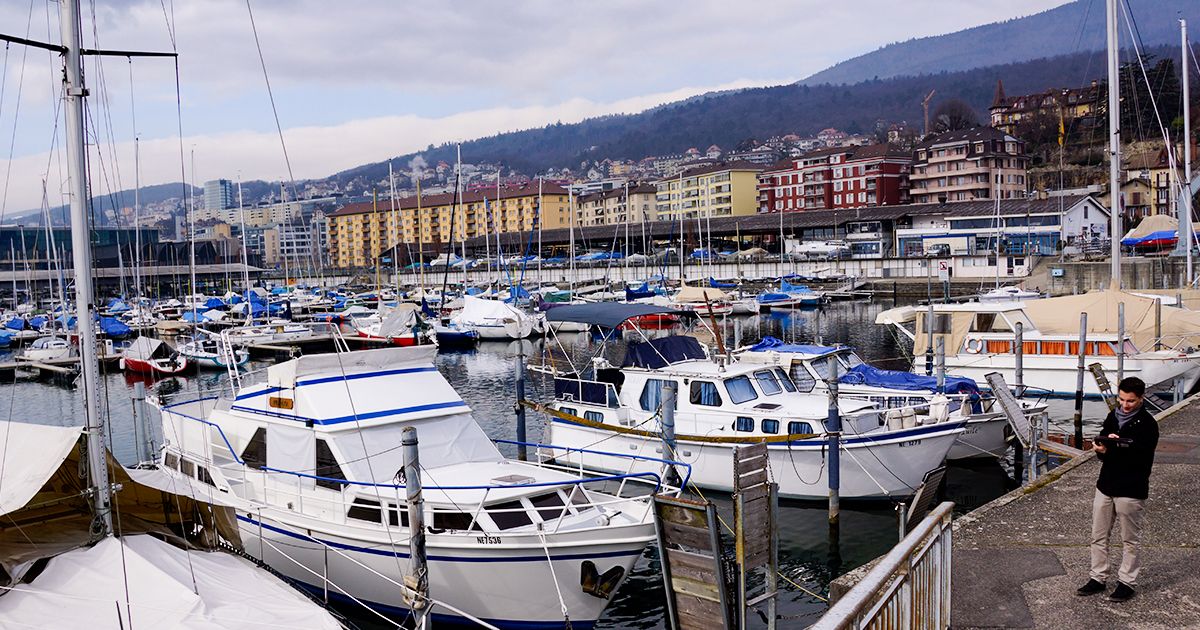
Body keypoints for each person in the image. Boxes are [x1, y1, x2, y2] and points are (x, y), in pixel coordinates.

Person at [1075, 376, 1158, 602]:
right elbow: (1105, 446)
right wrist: (1100, 447)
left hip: (1131, 489)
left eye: (1130, 401)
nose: (1125, 405)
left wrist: (1115, 447)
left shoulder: (1149, 425)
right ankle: (1097, 577)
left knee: (1129, 539)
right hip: (1106, 484)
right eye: (1121, 399)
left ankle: (1127, 582)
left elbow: (1141, 459)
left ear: (1141, 399)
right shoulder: (1113, 416)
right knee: (1098, 535)